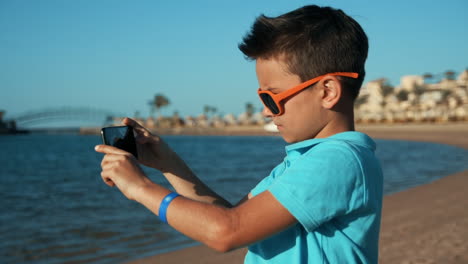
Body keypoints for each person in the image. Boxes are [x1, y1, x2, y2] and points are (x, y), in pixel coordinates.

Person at [95, 4, 383, 264]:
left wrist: (140, 188)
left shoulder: (339, 159)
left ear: (328, 91)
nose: (267, 112)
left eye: (272, 98)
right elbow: (231, 219)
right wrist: (167, 164)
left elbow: (226, 232)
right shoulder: (306, 159)